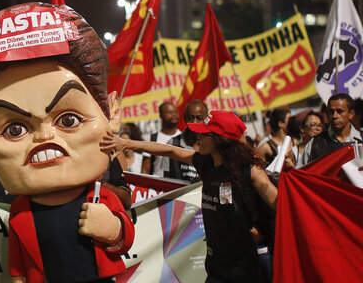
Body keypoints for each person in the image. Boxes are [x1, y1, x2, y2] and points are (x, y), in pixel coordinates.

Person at [0, 2, 134, 283]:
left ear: (112, 114)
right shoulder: (20, 211)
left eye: (68, 120)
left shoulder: (101, 197)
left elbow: (124, 239)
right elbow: (18, 257)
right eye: (15, 129)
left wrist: (113, 229)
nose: (44, 137)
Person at [101, 110, 277, 283]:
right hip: (218, 265)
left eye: (203, 133)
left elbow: (280, 204)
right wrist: (127, 143)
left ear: (219, 139)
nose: (197, 136)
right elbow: (169, 151)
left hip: (250, 264)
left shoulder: (251, 171)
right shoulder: (205, 162)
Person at [299, 93, 363, 166]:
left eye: (340, 111)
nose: (335, 116)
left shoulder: (361, 139)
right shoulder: (314, 143)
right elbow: (301, 174)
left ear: (351, 114)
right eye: (331, 112)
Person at [162, 100, 208, 183]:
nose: (194, 122)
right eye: (190, 118)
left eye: (199, 118)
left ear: (206, 119)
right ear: (184, 117)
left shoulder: (213, 144)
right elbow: (166, 178)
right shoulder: (172, 144)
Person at [142, 102, 181, 176]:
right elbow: (145, 170)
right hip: (157, 185)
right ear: (161, 115)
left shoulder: (183, 138)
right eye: (169, 112)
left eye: (175, 112)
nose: (173, 114)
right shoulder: (152, 139)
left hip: (180, 184)